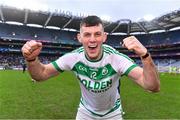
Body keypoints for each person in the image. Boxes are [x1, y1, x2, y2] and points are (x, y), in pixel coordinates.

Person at [21, 15, 160, 120]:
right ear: (79, 37)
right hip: (85, 112)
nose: (92, 39)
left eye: (97, 34)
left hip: (113, 113)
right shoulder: (74, 57)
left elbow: (152, 86)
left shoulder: (116, 58)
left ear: (104, 37)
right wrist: (31, 59)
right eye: (87, 34)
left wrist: (145, 55)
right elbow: (41, 74)